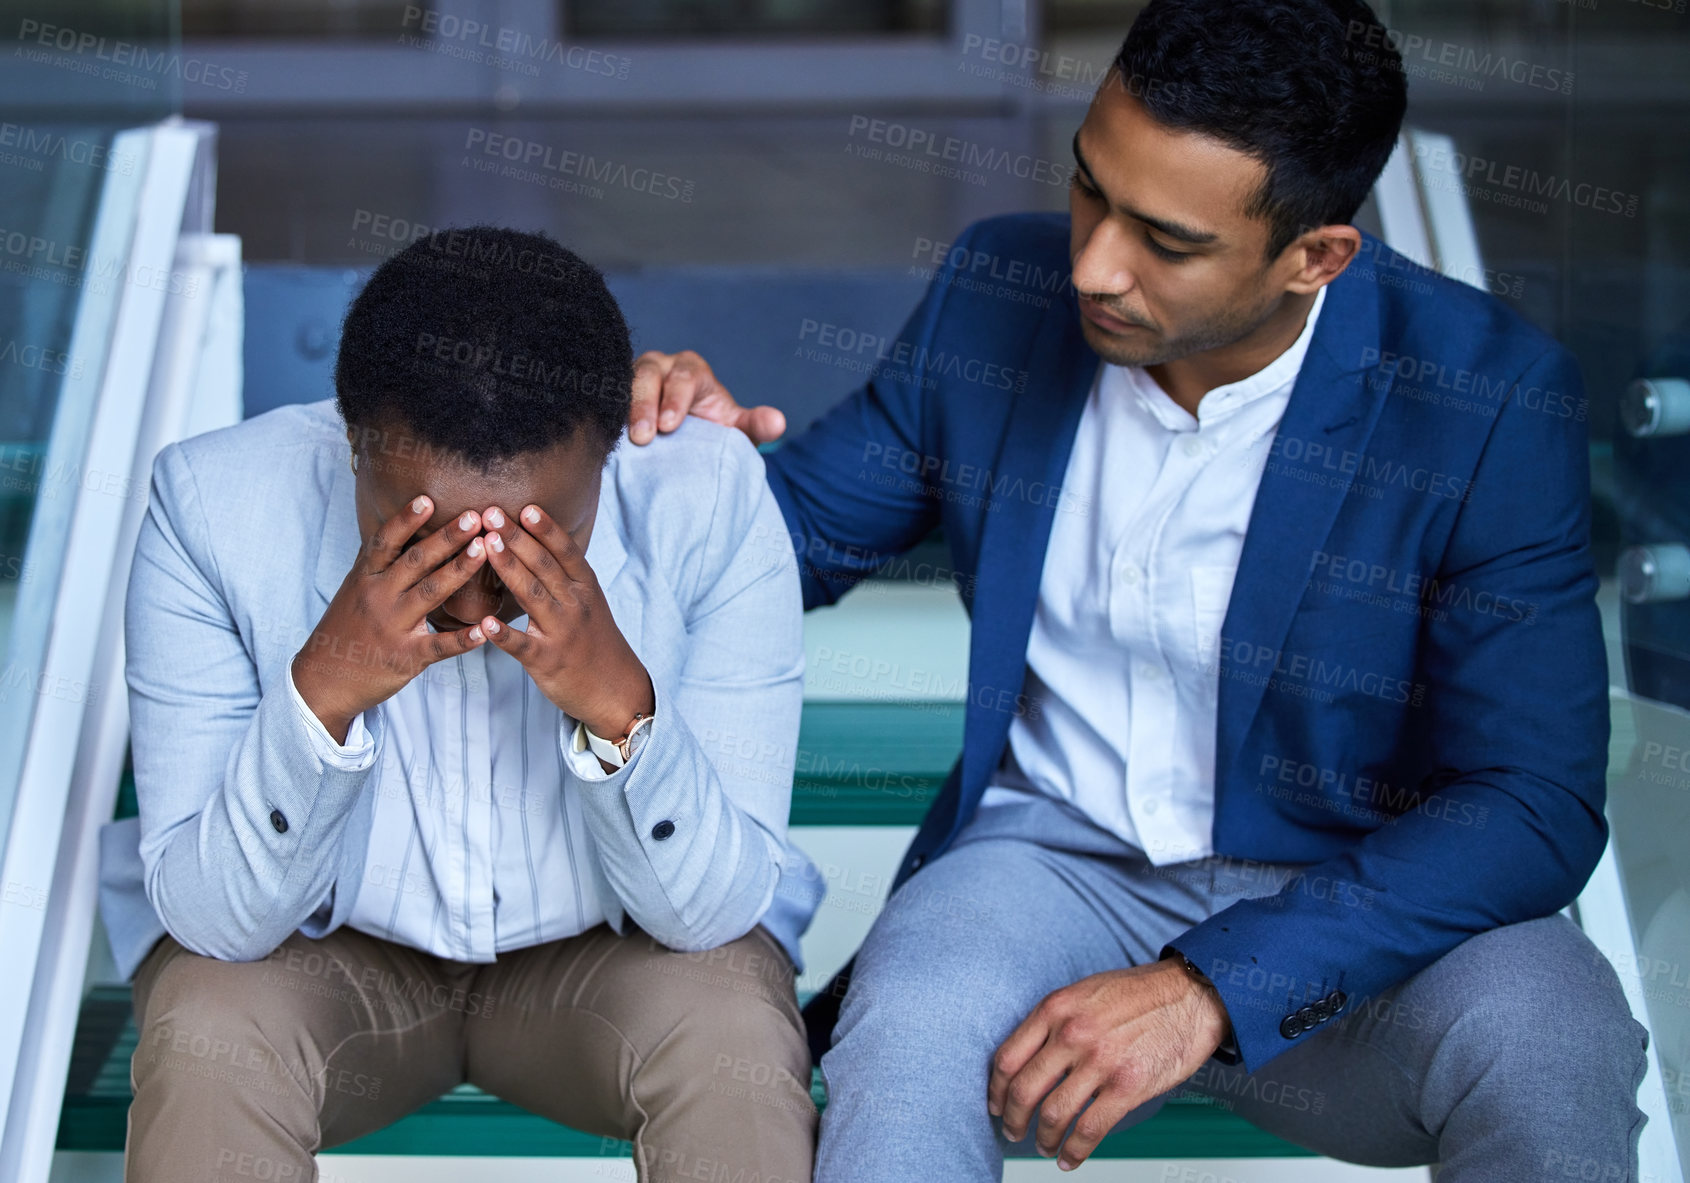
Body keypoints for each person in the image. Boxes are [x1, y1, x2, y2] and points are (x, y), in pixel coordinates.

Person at [624, 0, 1652, 1179]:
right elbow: (784, 541)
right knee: (908, 1023)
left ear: (1315, 255)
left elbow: (1530, 802)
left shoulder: (1484, 395)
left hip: (1354, 898)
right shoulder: (998, 290)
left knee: (1551, 1028)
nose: (1092, 264)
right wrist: (677, 462)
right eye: (1088, 190)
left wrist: (1209, 986)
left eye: (1165, 241)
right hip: (1044, 871)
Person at [96, 225, 823, 1183]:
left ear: (610, 457)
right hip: (330, 959)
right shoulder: (212, 506)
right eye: (424, 541)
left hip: (606, 959)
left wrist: (620, 709)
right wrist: (323, 696)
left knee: (732, 1033)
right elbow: (215, 920)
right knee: (209, 1035)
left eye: (539, 540)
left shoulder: (709, 496)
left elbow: (713, 912)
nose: (477, 600)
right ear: (346, 446)